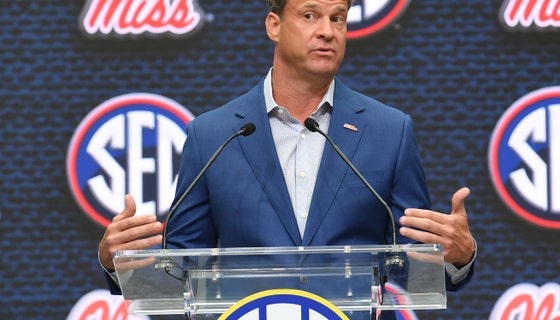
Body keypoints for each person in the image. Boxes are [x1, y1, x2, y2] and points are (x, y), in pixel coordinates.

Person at [99, 0, 476, 316]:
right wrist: (120, 264)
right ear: (274, 25)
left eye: (338, 17)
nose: (327, 30)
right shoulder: (213, 135)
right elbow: (180, 271)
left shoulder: (390, 131)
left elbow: (411, 262)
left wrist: (454, 257)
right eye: (310, 15)